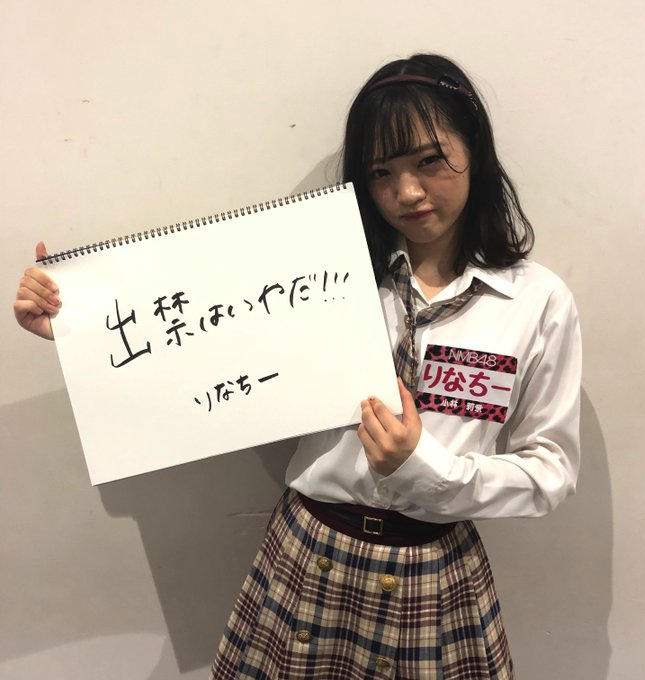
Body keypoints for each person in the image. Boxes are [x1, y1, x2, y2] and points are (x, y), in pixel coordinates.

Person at [14, 53, 581, 679]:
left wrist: (429, 470)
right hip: (308, 555)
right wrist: (80, 327)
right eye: (381, 172)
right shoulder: (321, 276)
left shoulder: (536, 301)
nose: (407, 193)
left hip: (433, 574)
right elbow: (203, 352)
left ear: (475, 148)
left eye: (429, 161)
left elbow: (550, 470)